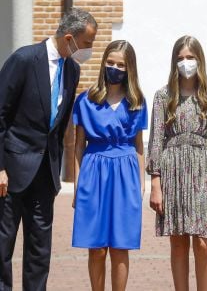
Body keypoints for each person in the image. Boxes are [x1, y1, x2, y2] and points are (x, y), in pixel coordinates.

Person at [0, 8, 97, 291]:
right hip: (12, 172)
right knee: (3, 245)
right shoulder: (24, 59)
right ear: (70, 38)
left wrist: (56, 172)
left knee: (39, 249)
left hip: (45, 175)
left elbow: (60, 124)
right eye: (87, 43)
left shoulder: (73, 70)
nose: (90, 50)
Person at [146, 35, 207, 291]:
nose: (186, 63)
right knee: (179, 240)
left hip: (204, 169)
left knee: (204, 241)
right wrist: (156, 182)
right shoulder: (163, 96)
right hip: (173, 170)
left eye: (190, 58)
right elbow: (156, 139)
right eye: (181, 58)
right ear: (174, 63)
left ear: (199, 60)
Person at [72, 40, 147, 291]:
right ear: (103, 62)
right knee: (96, 247)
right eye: (110, 62)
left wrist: (140, 185)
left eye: (121, 64)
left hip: (125, 172)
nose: (114, 67)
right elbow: (79, 145)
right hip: (93, 170)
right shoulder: (85, 100)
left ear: (130, 69)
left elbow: (139, 146)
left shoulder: (137, 101)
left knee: (120, 246)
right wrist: (77, 187)